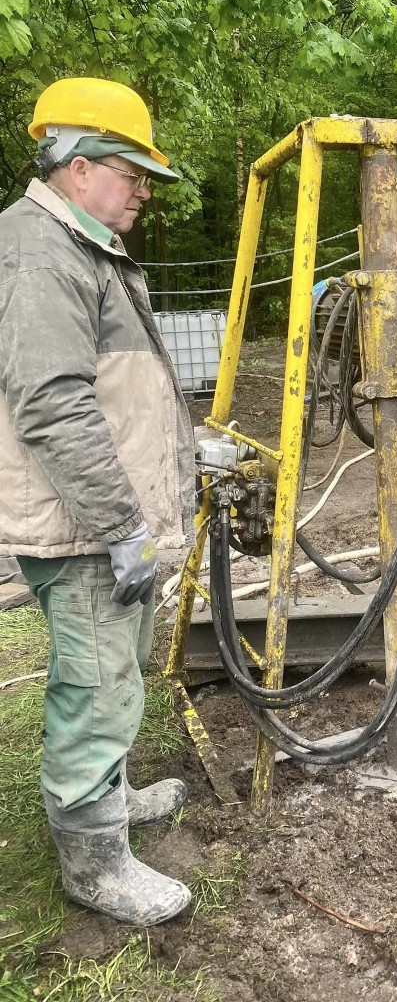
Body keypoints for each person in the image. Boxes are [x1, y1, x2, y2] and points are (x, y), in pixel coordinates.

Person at [0, 77, 197, 925]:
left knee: (112, 670)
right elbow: (51, 401)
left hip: (104, 518)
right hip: (82, 525)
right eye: (135, 173)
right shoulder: (40, 252)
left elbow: (118, 390)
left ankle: (106, 801)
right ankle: (94, 863)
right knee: (97, 684)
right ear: (80, 168)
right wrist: (123, 526)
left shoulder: (79, 246)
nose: (145, 191)